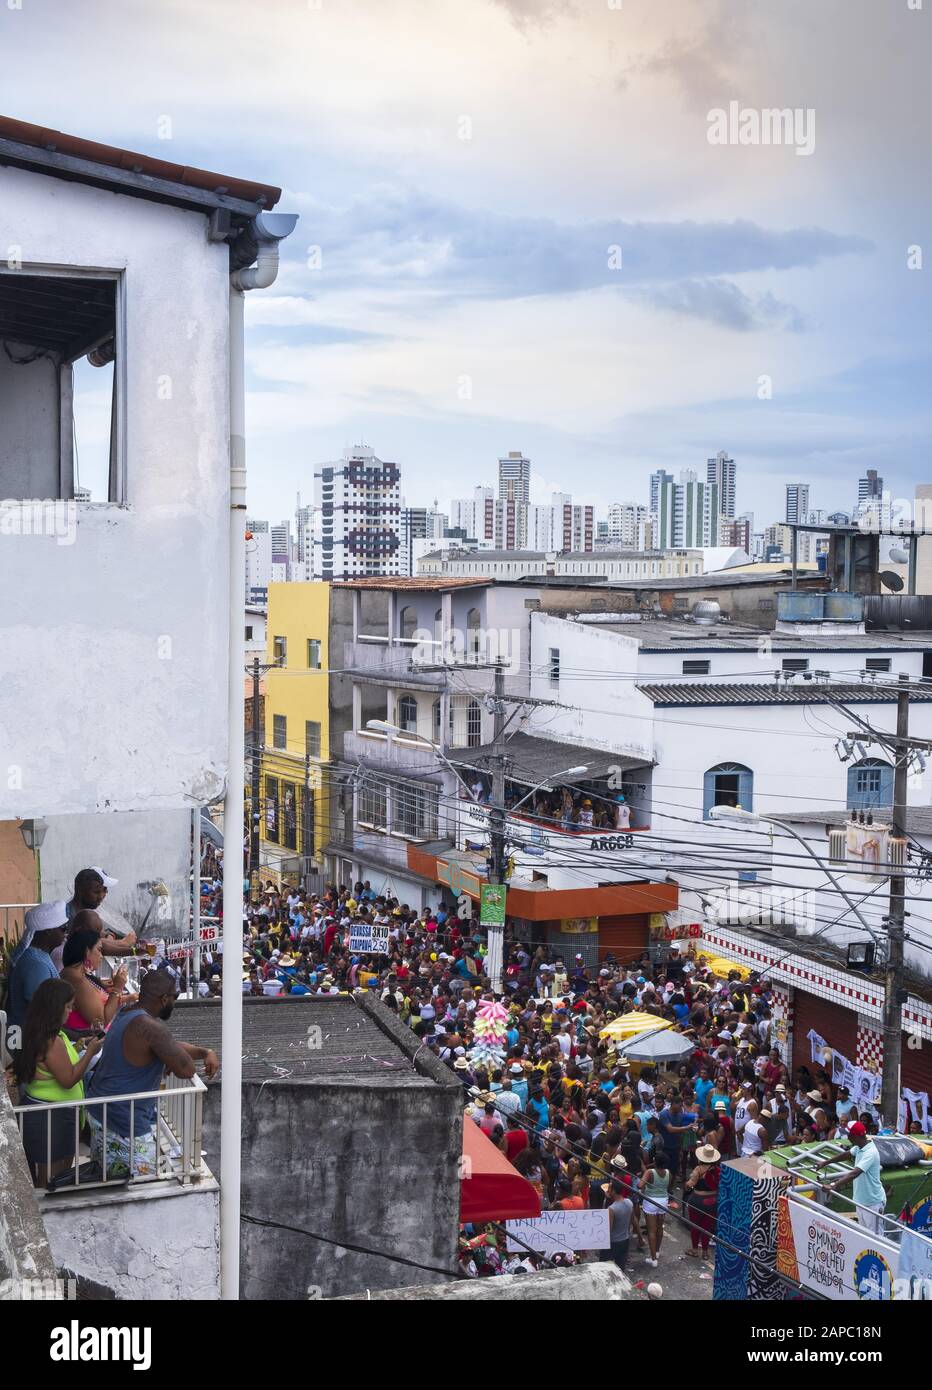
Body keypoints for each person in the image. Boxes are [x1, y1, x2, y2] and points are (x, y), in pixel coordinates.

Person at [85, 970, 219, 1177]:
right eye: (174, 997)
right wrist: (170, 1058)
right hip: (123, 1120)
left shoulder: (128, 1013)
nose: (174, 1002)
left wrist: (205, 1052)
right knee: (142, 1188)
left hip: (102, 1110)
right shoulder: (150, 1027)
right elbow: (186, 1070)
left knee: (110, 1179)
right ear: (164, 998)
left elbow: (170, 1046)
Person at [12, 977, 105, 1185]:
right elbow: (68, 1079)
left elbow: (60, 1063)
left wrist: (79, 1046)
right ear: (56, 1007)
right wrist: (90, 1053)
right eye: (69, 1007)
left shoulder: (49, 1035)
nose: (71, 1012)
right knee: (52, 1180)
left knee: (57, 1177)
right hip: (51, 1118)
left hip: (55, 1115)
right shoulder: (51, 1041)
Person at [7, 902, 67, 1031]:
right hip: (28, 1040)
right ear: (48, 932)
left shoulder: (39, 955)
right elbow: (41, 1013)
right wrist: (74, 1035)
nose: (65, 934)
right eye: (63, 928)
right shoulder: (35, 964)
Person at [60, 924, 127, 1033]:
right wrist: (117, 988)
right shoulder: (77, 980)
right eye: (99, 950)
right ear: (87, 951)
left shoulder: (74, 973)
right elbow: (101, 1023)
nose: (101, 956)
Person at [825, 1122, 887, 1233]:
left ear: (855, 1136)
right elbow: (846, 1154)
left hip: (873, 1203)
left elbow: (854, 1173)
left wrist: (833, 1185)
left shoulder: (870, 1152)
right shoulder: (859, 1147)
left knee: (876, 1240)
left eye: (849, 1135)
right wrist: (826, 1162)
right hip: (861, 1201)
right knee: (864, 1236)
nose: (847, 1138)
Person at [65, 868, 137, 957]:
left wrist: (107, 936)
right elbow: (92, 945)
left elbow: (98, 936)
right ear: (80, 890)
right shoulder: (69, 916)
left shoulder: (86, 912)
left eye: (104, 890)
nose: (101, 896)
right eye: (96, 892)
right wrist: (124, 943)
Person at [685, 1143, 720, 1261]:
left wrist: (687, 1185)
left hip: (698, 1200)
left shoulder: (698, 1169)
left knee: (695, 1226)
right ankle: (705, 1252)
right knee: (706, 1227)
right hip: (713, 1201)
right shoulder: (718, 1170)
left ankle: (695, 1249)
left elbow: (690, 1185)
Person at [640, 1148, 671, 1267]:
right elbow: (668, 1186)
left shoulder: (650, 1172)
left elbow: (640, 1184)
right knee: (659, 1228)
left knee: (651, 1231)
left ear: (655, 1161)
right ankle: (657, 1252)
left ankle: (653, 1259)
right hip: (663, 1201)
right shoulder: (668, 1172)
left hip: (651, 1201)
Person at [607, 1178, 634, 1270]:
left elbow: (608, 1229)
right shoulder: (629, 1202)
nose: (607, 1190)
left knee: (605, 1268)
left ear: (613, 1191)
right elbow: (630, 1220)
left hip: (613, 1242)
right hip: (625, 1240)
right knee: (621, 1268)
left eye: (609, 1189)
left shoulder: (612, 1209)